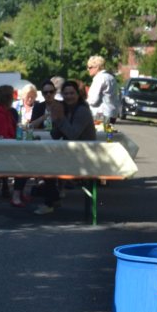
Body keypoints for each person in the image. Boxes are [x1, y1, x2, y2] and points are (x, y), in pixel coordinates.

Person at [34, 80, 97, 215]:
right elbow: (55, 135)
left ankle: (50, 202)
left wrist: (61, 118)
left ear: (78, 95)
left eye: (72, 93)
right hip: (73, 153)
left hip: (85, 157)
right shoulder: (67, 109)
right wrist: (56, 118)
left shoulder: (82, 111)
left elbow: (73, 134)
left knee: (47, 165)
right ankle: (54, 199)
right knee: (44, 161)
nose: (69, 96)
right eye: (66, 94)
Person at [86, 55, 121, 123]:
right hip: (112, 114)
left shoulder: (99, 78)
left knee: (97, 130)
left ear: (97, 67)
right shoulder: (111, 77)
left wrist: (83, 103)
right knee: (107, 130)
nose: (88, 69)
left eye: (90, 67)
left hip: (100, 114)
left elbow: (93, 100)